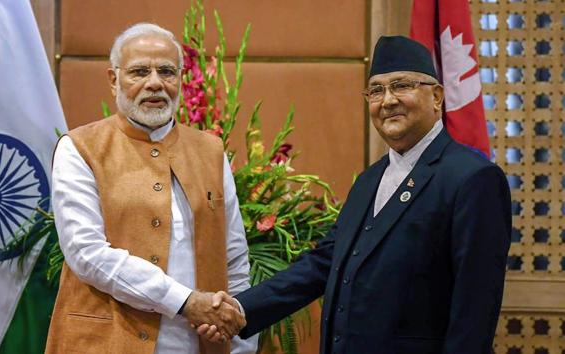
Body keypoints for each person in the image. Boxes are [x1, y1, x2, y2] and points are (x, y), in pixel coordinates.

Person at [198, 35, 512, 354]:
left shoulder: (472, 178)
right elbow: (324, 263)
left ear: (437, 97)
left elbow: (475, 309)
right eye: (376, 90)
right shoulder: (369, 180)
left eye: (401, 85)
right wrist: (242, 308)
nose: (387, 100)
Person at [45, 23, 255, 354]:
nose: (155, 83)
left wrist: (242, 343)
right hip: (105, 343)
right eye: (139, 71)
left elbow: (235, 258)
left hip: (196, 345)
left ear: (181, 81)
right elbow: (86, 253)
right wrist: (184, 301)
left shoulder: (211, 151)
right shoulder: (79, 148)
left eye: (167, 72)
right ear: (113, 80)